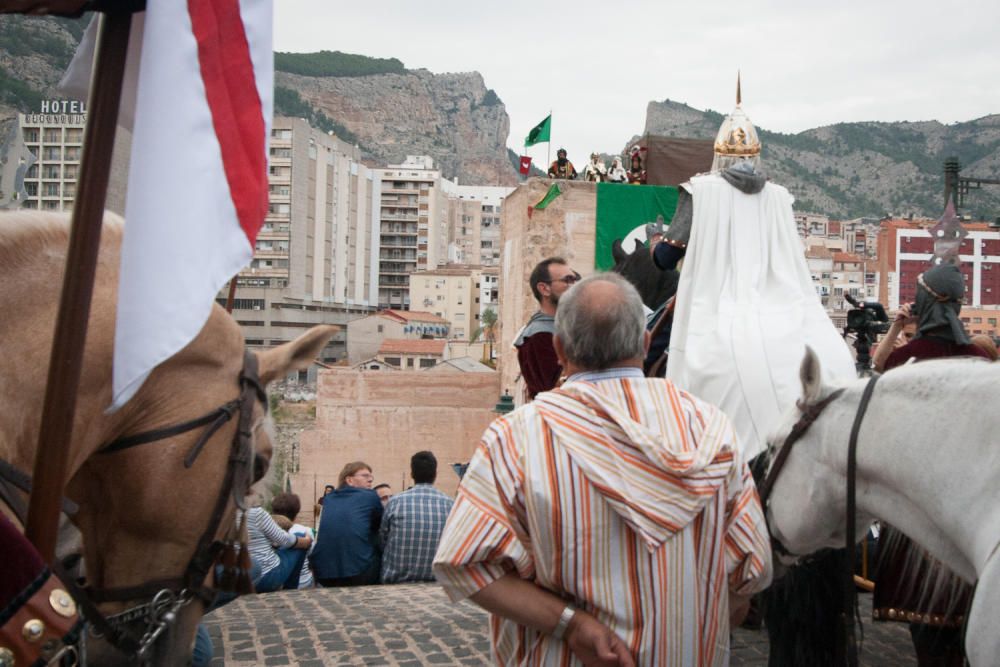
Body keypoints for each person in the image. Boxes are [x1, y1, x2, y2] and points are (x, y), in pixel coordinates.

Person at [434, 273, 772, 666]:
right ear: (646, 343)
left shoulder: (517, 438)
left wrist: (572, 625)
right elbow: (749, 571)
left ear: (559, 348)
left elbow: (467, 565)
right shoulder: (714, 431)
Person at [650, 80, 854, 460]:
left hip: (716, 308)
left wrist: (657, 245)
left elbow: (664, 259)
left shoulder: (699, 191)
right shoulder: (779, 197)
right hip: (787, 307)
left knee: (650, 350)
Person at [872, 263, 989, 666]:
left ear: (924, 304)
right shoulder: (979, 358)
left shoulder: (910, 358)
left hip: (920, 504)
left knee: (927, 621)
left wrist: (894, 328)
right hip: (971, 505)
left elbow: (877, 365)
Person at [380, 451, 454, 583]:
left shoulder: (395, 502)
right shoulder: (450, 504)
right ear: (435, 474)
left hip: (396, 581)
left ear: (412, 474)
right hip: (436, 580)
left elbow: (383, 540)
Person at [514, 257, 580, 400]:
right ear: (544, 289)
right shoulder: (540, 335)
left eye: (576, 280)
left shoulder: (564, 326)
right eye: (568, 280)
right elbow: (551, 391)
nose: (575, 286)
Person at [310, 461, 384, 587]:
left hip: (323, 573)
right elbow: (381, 526)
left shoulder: (329, 499)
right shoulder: (370, 496)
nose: (370, 480)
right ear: (349, 480)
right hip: (358, 573)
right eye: (365, 476)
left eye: (371, 477)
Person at [244, 504, 311, 592]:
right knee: (300, 536)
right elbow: (283, 540)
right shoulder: (256, 512)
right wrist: (306, 541)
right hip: (266, 577)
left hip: (241, 576)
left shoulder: (225, 513)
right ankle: (290, 591)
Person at [271, 492, 316, 589]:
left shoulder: (268, 530)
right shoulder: (305, 531)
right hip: (303, 581)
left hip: (276, 580)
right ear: (296, 513)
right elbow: (313, 556)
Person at [872, 303, 918, 372]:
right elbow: (877, 366)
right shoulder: (900, 342)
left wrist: (908, 354)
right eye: (908, 335)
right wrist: (896, 326)